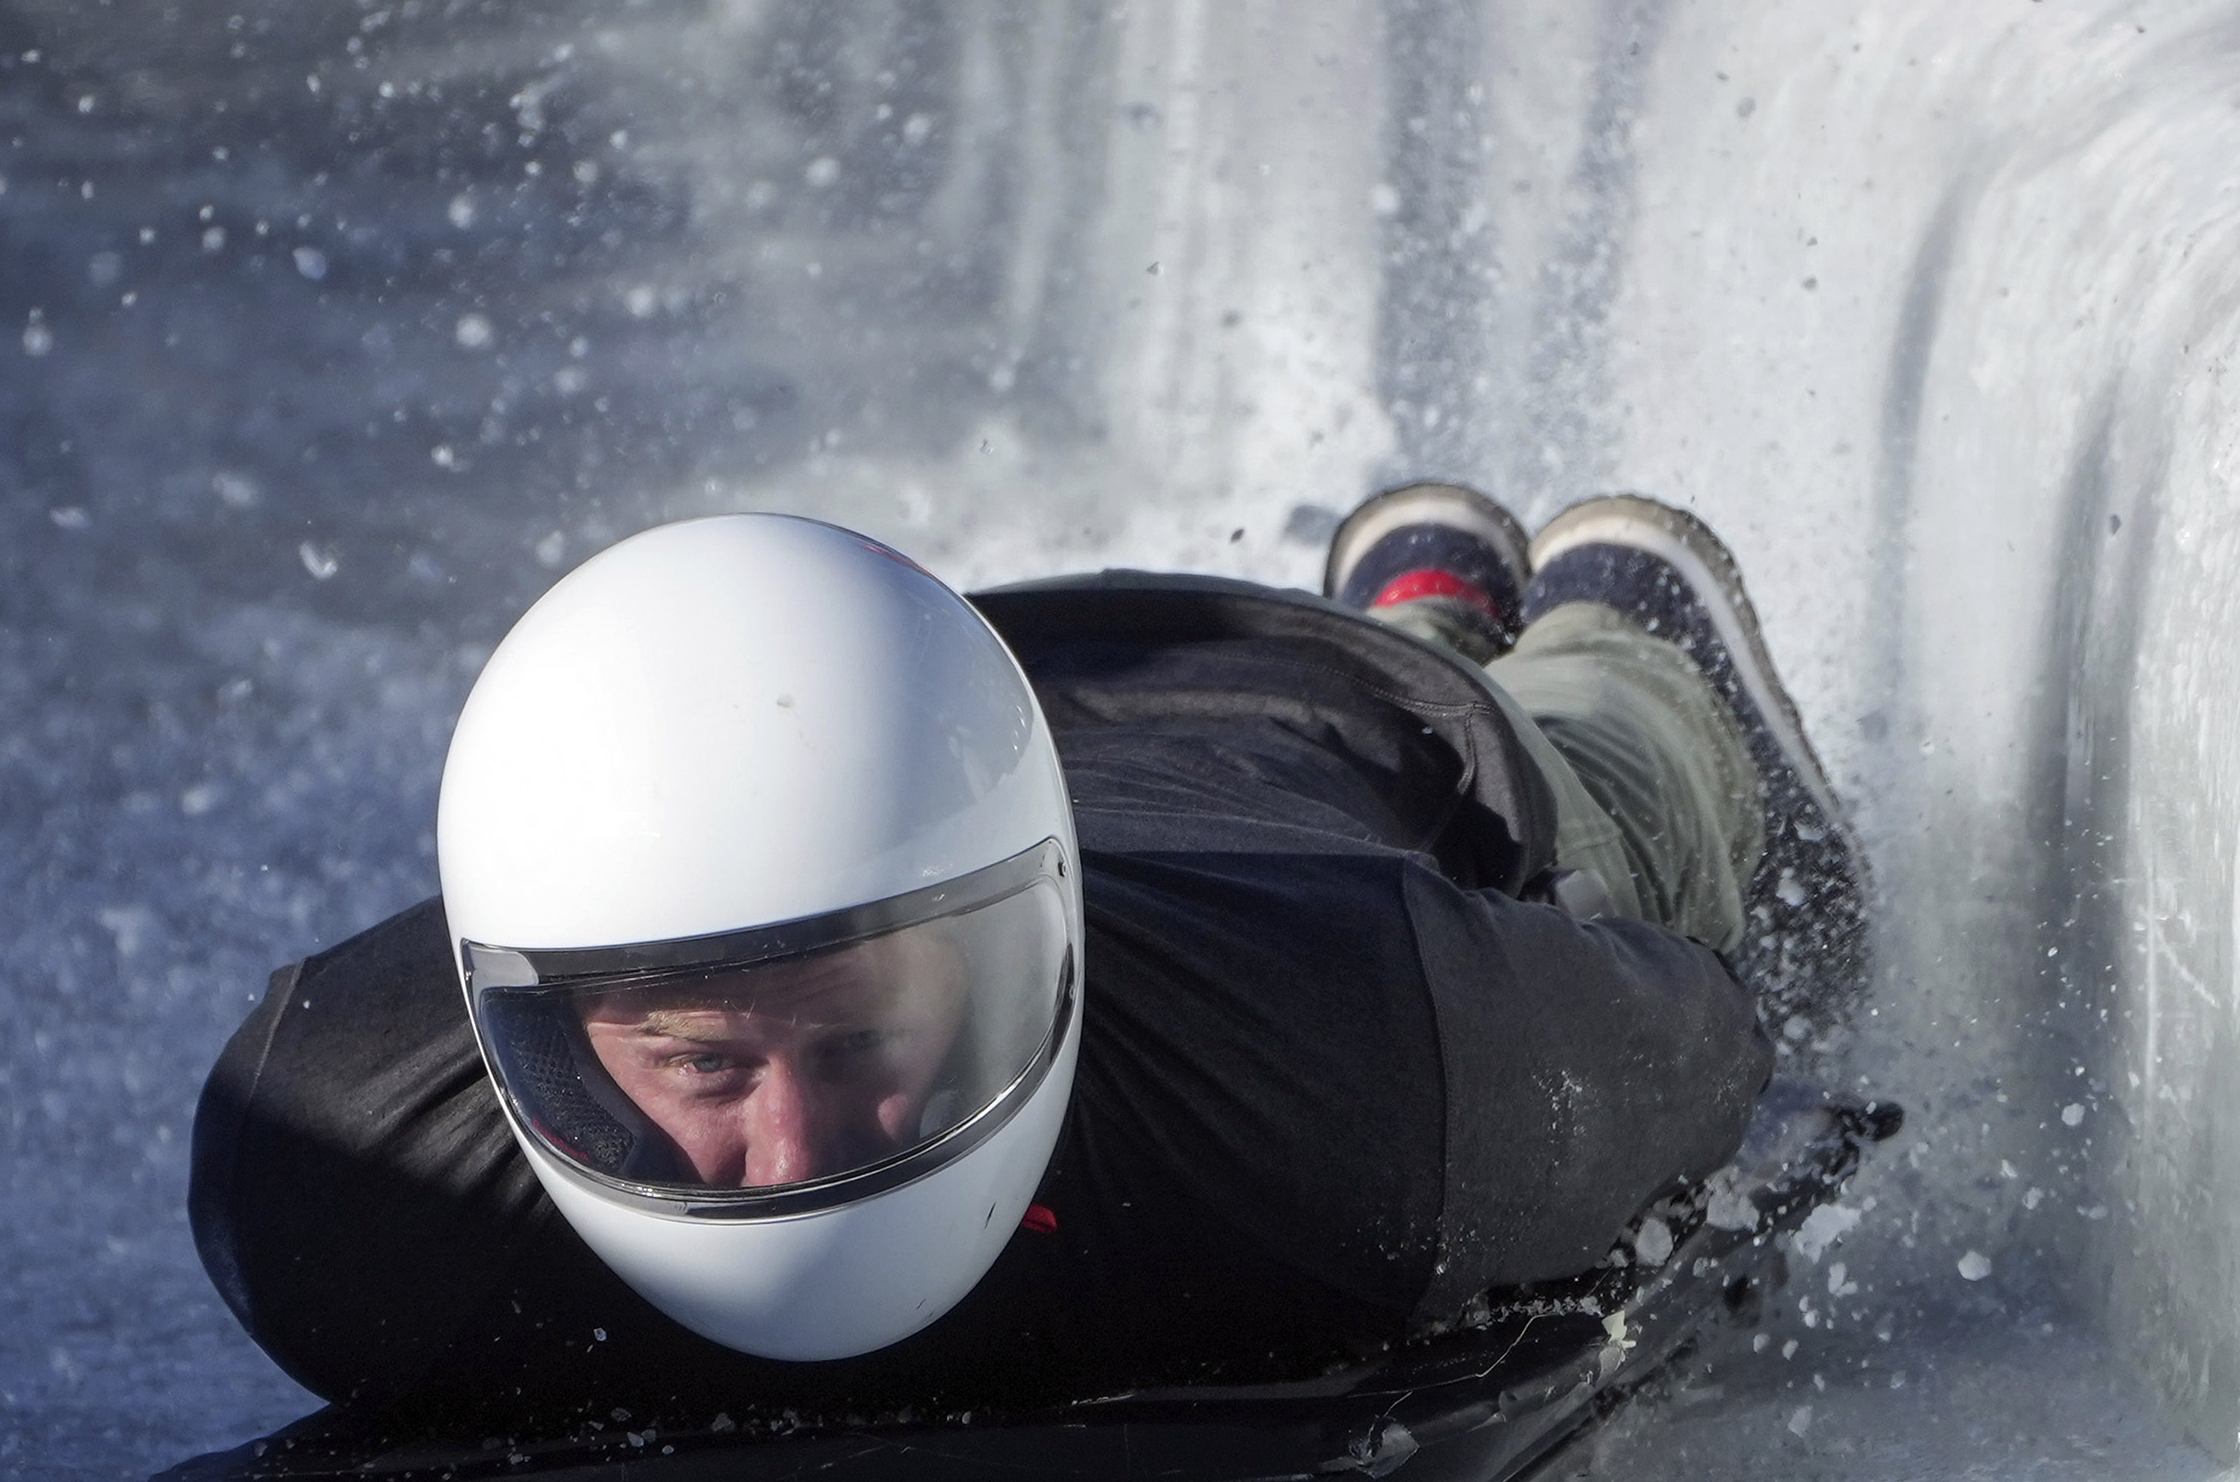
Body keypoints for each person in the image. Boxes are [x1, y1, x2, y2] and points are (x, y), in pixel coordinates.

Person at [186, 487, 1862, 1428]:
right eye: (704, 1062)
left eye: (857, 1041)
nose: (798, 1153)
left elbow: (1710, 1038)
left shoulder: (1396, 1072)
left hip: (1323, 751)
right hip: (952, 703)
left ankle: (1593, 615)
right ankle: (1419, 584)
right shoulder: (329, 1174)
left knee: (1597, 773)